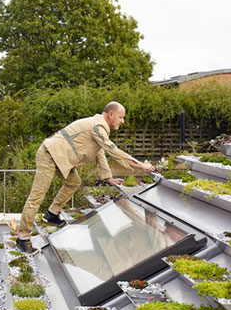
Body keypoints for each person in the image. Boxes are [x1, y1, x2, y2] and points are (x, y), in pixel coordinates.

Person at [15, 101, 155, 255]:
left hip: (61, 158)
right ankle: (23, 238)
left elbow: (100, 153)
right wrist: (141, 165)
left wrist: (108, 178)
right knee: (36, 197)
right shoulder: (97, 127)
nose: (123, 121)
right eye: (121, 117)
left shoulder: (99, 127)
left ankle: (52, 214)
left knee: (74, 182)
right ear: (111, 114)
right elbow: (112, 150)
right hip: (50, 154)